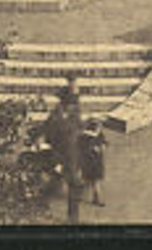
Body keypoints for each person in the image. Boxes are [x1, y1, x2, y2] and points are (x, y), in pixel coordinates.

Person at [39, 82, 85, 225]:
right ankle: (41, 207)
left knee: (74, 186)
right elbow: (47, 134)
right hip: (57, 155)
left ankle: (73, 219)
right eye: (71, 102)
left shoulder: (75, 115)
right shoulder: (55, 117)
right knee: (53, 184)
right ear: (64, 102)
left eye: (74, 102)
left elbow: (80, 130)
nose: (73, 105)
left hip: (72, 156)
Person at [79, 119, 108, 207]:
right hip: (89, 162)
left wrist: (103, 146)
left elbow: (104, 142)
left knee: (92, 181)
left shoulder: (99, 135)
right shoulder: (85, 137)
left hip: (97, 161)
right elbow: (82, 149)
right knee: (93, 181)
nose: (100, 129)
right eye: (98, 128)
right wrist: (93, 149)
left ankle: (93, 198)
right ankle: (96, 199)